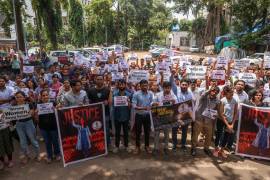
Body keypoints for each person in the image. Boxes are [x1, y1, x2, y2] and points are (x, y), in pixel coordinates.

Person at [191, 87, 220, 156]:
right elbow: (203, 95)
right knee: (195, 134)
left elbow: (216, 110)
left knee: (209, 135)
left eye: (216, 92)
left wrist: (215, 115)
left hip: (209, 120)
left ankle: (206, 148)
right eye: (213, 91)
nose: (214, 92)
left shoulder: (217, 100)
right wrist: (209, 89)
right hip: (199, 119)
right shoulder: (204, 97)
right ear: (210, 91)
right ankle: (193, 148)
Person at [14, 91, 40, 164]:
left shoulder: (29, 104)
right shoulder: (14, 106)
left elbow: (31, 113)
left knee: (33, 140)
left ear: (24, 97)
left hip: (29, 123)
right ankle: (27, 156)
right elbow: (11, 115)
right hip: (19, 124)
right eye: (17, 97)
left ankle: (37, 155)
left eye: (20, 97)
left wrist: (29, 113)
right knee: (22, 142)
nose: (19, 98)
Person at [87, 75, 112, 150]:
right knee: (95, 130)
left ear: (103, 80)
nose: (99, 81)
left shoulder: (108, 90)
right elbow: (88, 102)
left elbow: (110, 102)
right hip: (94, 115)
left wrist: (107, 102)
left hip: (105, 114)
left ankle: (107, 145)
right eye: (98, 79)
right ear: (95, 80)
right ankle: (96, 145)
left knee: (106, 130)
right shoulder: (90, 90)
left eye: (101, 79)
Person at [152, 81, 177, 156]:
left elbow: (177, 104)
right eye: (166, 88)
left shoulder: (173, 96)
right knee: (157, 134)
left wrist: (173, 102)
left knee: (166, 134)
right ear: (163, 88)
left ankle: (166, 148)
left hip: (168, 117)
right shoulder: (158, 95)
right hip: (158, 117)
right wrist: (154, 103)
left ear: (170, 88)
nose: (167, 89)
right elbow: (152, 104)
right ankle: (155, 148)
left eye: (169, 88)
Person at [36, 90, 61, 163]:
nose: (45, 97)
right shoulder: (38, 104)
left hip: (53, 126)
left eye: (46, 95)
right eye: (43, 95)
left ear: (49, 96)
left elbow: (59, 112)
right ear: (41, 97)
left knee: (55, 141)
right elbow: (36, 119)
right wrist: (36, 114)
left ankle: (57, 154)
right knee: (47, 142)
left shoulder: (53, 103)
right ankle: (49, 155)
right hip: (43, 127)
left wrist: (56, 109)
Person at [170, 77, 193, 151]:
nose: (184, 86)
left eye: (185, 85)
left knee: (185, 131)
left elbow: (192, 104)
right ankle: (174, 145)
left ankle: (183, 145)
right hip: (176, 114)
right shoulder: (176, 90)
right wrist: (172, 75)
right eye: (183, 84)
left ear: (188, 85)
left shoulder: (190, 93)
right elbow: (171, 82)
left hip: (185, 115)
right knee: (174, 130)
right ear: (180, 85)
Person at [215, 86, 238, 158]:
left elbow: (235, 113)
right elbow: (221, 114)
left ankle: (222, 150)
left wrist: (232, 124)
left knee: (226, 136)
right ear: (226, 93)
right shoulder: (222, 100)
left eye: (233, 92)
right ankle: (216, 149)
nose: (232, 94)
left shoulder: (235, 100)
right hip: (221, 121)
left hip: (230, 122)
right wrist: (227, 125)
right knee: (219, 134)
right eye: (230, 92)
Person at [132, 80, 153, 154]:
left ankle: (147, 146)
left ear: (148, 86)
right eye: (143, 85)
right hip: (139, 115)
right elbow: (134, 106)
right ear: (140, 86)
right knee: (138, 132)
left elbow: (152, 103)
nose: (145, 87)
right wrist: (143, 108)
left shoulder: (150, 93)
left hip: (147, 115)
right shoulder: (136, 94)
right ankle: (137, 147)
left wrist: (153, 105)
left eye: (146, 85)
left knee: (147, 131)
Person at [112, 79, 132, 153]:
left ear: (125, 85)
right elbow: (112, 105)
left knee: (126, 132)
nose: (121, 86)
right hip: (117, 116)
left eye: (123, 84)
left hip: (126, 116)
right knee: (117, 133)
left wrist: (129, 104)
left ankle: (126, 146)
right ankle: (117, 146)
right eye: (120, 84)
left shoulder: (129, 94)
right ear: (118, 85)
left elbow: (130, 107)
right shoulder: (114, 94)